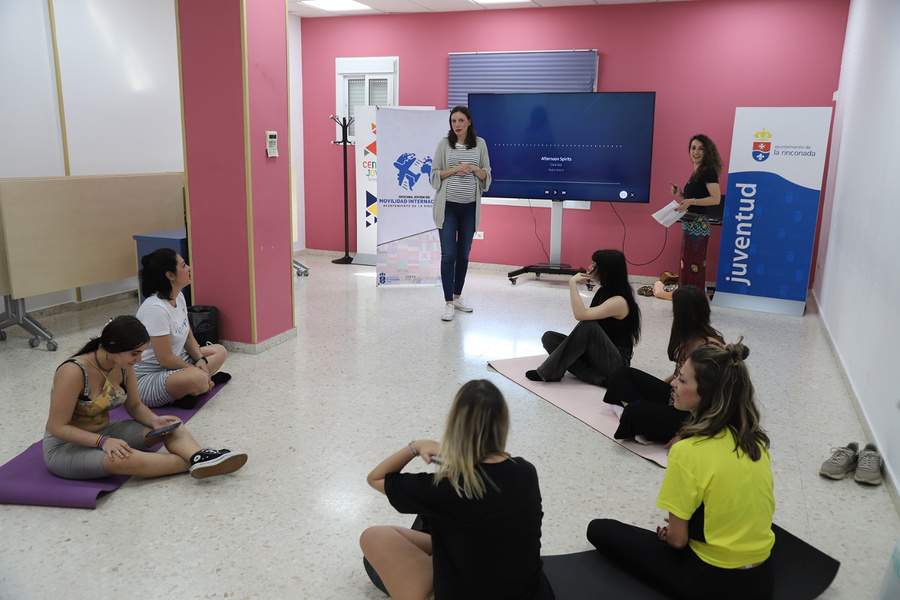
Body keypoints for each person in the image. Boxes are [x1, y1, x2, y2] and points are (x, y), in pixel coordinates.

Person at [587, 340, 775, 600]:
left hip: (713, 580)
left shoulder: (687, 451)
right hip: (763, 576)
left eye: (683, 381)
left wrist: (675, 533)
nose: (673, 384)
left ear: (706, 395)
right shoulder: (754, 442)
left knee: (599, 529)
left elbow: (677, 542)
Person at [360, 379, 554, 600]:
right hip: (533, 595)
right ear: (503, 422)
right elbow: (485, 491)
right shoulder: (525, 471)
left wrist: (416, 446)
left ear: (455, 425)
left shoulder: (445, 487)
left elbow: (375, 478)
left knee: (373, 537)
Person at [43, 316, 247, 480]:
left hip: (105, 431)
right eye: (134, 354)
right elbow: (57, 427)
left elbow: (134, 406)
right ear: (112, 346)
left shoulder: (124, 365)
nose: (139, 360)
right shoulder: (73, 371)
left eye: (141, 353)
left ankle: (198, 457)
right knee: (127, 459)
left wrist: (154, 421)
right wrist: (102, 441)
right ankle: (202, 460)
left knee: (172, 424)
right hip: (66, 447)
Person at [604, 285, 724, 445]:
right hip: (676, 397)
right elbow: (678, 375)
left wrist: (687, 432)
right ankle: (643, 419)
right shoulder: (690, 337)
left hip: (692, 414)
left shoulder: (709, 349)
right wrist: (655, 388)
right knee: (623, 374)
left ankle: (639, 418)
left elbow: (715, 401)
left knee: (634, 411)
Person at [526, 249, 641, 386]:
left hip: (615, 363)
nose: (590, 268)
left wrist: (572, 284)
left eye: (594, 265)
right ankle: (600, 380)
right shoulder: (603, 291)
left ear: (605, 270)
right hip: (596, 354)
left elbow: (581, 315)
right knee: (549, 338)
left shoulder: (619, 301)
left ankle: (547, 373)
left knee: (589, 326)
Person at [134, 248, 229, 409]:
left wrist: (200, 359)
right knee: (197, 377)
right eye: (184, 265)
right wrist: (197, 371)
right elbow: (165, 359)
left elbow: (188, 335)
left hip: (173, 365)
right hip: (147, 378)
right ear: (170, 275)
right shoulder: (156, 309)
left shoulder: (178, 295)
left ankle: (193, 389)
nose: (189, 268)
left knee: (220, 351)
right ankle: (196, 386)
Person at [430, 106, 492, 322]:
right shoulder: (444, 144)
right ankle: (448, 302)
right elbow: (434, 175)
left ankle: (457, 297)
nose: (456, 124)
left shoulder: (480, 144)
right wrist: (456, 169)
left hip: (469, 208)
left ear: (468, 122)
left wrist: (473, 168)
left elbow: (487, 174)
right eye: (453, 121)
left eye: (460, 120)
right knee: (448, 255)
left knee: (463, 254)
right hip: (447, 207)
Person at [657, 134, 723, 299]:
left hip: (698, 226)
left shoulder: (708, 171)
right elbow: (692, 201)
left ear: (707, 151)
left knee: (694, 265)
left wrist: (690, 200)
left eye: (701, 148)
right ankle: (686, 299)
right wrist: (680, 193)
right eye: (693, 148)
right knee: (686, 264)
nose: (696, 152)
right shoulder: (697, 171)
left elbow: (715, 199)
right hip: (689, 224)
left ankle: (693, 301)